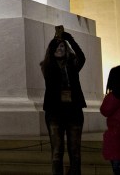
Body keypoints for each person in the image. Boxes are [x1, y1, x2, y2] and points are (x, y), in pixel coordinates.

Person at [41, 27, 86, 175]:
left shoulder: (73, 65)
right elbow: (50, 58)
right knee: (57, 151)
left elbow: (81, 57)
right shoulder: (47, 66)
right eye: (57, 47)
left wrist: (69, 40)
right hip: (55, 112)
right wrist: (56, 40)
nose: (60, 49)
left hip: (73, 111)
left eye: (62, 47)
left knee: (75, 151)